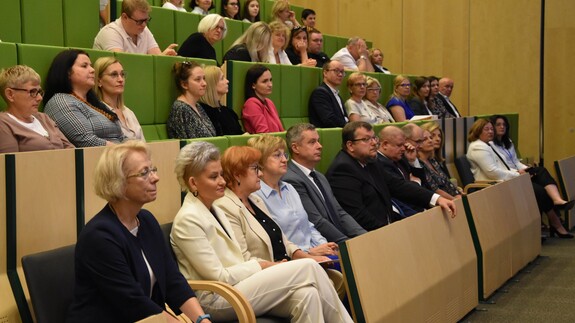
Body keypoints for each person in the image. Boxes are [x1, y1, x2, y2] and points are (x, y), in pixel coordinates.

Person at [170, 141, 354, 322]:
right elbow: (219, 276)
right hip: (217, 297)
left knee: (308, 295)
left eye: (220, 175)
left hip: (240, 284)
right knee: (309, 266)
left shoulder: (214, 208)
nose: (222, 181)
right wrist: (265, 266)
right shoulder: (189, 219)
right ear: (193, 183)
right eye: (213, 177)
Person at [67, 141, 210, 323]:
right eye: (144, 173)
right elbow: (132, 302)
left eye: (153, 169)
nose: (155, 177)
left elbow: (173, 279)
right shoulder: (99, 236)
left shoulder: (147, 221)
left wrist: (202, 320)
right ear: (118, 182)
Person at [213, 145, 345, 298]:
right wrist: (287, 266)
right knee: (317, 285)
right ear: (237, 175)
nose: (260, 174)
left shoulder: (255, 200)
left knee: (336, 276)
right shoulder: (225, 206)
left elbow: (285, 241)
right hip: (261, 277)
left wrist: (307, 257)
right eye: (256, 169)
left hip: (282, 267)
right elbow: (244, 259)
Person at [325, 121, 456, 231]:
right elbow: (357, 215)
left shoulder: (371, 161)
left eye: (373, 138)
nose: (373, 143)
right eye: (366, 139)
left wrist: (436, 199)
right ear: (350, 145)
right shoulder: (342, 169)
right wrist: (390, 231)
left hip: (387, 227)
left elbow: (398, 186)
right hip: (370, 237)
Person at [466, 119, 573, 238]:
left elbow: (503, 166)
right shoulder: (478, 147)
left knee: (540, 172)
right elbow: (493, 173)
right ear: (477, 131)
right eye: (487, 129)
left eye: (491, 129)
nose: (491, 131)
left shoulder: (487, 144)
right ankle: (552, 223)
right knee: (539, 191)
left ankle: (556, 204)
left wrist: (519, 172)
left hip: (502, 179)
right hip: (492, 184)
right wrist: (517, 174)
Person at [247, 135, 338, 256]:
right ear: (260, 162)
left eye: (284, 155)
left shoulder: (289, 188)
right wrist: (308, 252)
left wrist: (324, 244)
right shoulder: (255, 197)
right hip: (292, 259)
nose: (284, 160)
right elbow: (272, 239)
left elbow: (307, 226)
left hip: (314, 252)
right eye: (277, 155)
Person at [283, 123, 367, 243]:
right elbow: (316, 221)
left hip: (340, 239)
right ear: (295, 148)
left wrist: (364, 236)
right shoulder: (291, 179)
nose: (320, 146)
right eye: (312, 142)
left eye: (318, 141)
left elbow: (340, 213)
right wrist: (347, 243)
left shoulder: (319, 176)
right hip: (322, 244)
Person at [490, 115, 574, 210]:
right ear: (492, 127)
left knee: (542, 171)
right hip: (510, 177)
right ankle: (556, 219)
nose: (502, 127)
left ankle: (557, 200)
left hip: (519, 172)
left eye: (504, 125)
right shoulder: (490, 146)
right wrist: (518, 172)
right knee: (541, 190)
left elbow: (515, 161)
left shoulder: (508, 142)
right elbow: (501, 167)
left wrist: (525, 168)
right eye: (498, 125)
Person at [43, 49, 125, 147]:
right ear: (68, 72)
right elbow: (86, 140)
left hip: (118, 154)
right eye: (84, 66)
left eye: (90, 65)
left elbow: (121, 137)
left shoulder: (94, 102)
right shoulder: (60, 101)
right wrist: (126, 151)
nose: (92, 70)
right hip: (97, 158)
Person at [0, 65, 73, 153]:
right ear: (10, 94)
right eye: (32, 92)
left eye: (39, 92)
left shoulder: (44, 118)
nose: (39, 98)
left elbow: (71, 150)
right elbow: (10, 164)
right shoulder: (3, 124)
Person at [93, 0, 177, 56]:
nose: (144, 25)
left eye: (146, 20)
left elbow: (156, 58)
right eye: (139, 21)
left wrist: (163, 58)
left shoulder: (144, 29)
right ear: (125, 17)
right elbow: (121, 66)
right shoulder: (110, 32)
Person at [376, 125, 426, 216]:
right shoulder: (380, 163)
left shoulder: (401, 158)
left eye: (404, 144)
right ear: (385, 145)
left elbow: (424, 184)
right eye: (399, 145)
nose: (403, 148)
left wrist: (412, 161)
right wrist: (416, 182)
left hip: (420, 206)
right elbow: (403, 190)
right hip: (408, 213)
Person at [94, 57, 145, 141]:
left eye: (122, 74)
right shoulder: (97, 113)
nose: (120, 79)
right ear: (99, 81)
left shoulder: (128, 112)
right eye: (114, 75)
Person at [167, 61, 216, 139]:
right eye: (198, 79)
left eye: (204, 78)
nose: (204, 83)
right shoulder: (180, 109)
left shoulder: (198, 106)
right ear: (184, 84)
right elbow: (188, 145)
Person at [199, 65, 243, 136]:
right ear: (212, 84)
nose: (227, 81)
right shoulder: (202, 112)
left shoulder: (229, 112)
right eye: (222, 78)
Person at [417, 128, 460, 199]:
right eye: (425, 139)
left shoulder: (433, 160)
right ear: (417, 144)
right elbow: (435, 190)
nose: (431, 141)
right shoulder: (418, 165)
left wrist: (458, 195)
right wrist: (456, 200)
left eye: (430, 137)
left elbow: (448, 183)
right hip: (439, 203)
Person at [242, 64, 284, 134]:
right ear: (253, 85)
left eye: (270, 80)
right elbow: (263, 134)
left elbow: (281, 130)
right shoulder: (251, 104)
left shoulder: (269, 102)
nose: (270, 84)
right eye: (265, 81)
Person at [308, 60, 348, 128]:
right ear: (325, 73)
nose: (340, 74)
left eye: (342, 72)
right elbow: (329, 119)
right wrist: (348, 126)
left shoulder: (337, 94)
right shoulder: (320, 93)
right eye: (336, 71)